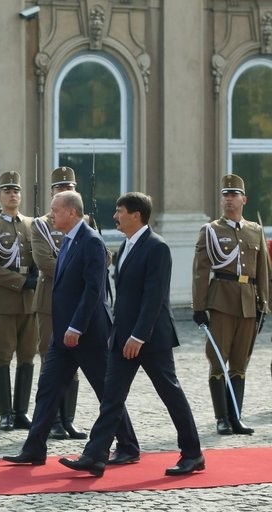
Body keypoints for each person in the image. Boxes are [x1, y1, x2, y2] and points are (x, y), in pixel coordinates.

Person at [59, 192, 204, 477]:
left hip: (150, 339)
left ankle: (192, 453)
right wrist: (121, 335)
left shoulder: (157, 247)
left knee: (170, 395)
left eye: (119, 211)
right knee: (111, 397)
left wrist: (138, 336)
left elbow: (154, 298)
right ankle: (95, 455)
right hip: (122, 338)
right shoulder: (125, 246)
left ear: (136, 215)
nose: (115, 216)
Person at [2, 190, 139, 466]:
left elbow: (93, 291)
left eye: (56, 210)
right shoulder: (68, 241)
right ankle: (35, 448)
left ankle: (128, 445)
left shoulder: (91, 241)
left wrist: (76, 326)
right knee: (48, 388)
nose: (52, 215)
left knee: (106, 391)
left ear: (73, 213)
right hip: (62, 333)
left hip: (86, 333)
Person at [192, 173, 268, 435]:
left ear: (243, 199)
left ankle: (236, 417)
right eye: (225, 194)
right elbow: (201, 271)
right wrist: (199, 307)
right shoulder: (211, 231)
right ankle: (222, 417)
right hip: (221, 300)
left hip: (248, 302)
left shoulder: (255, 231)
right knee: (218, 360)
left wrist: (264, 303)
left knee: (240, 363)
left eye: (234, 194)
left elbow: (263, 271)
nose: (229, 198)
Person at [30, 167, 86, 440]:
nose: (64, 190)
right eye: (59, 187)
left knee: (73, 359)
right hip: (50, 299)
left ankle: (68, 418)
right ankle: (50, 420)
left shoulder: (86, 223)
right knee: (50, 360)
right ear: (52, 192)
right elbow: (44, 261)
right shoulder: (40, 225)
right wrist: (81, 272)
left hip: (77, 301)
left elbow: (100, 257)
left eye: (69, 186)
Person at [0, 171, 37, 431]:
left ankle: (21, 411)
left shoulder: (33, 225)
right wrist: (21, 281)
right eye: (7, 191)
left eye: (16, 190)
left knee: (27, 356)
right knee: (3, 355)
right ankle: (5, 412)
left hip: (30, 302)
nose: (13, 194)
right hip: (4, 300)